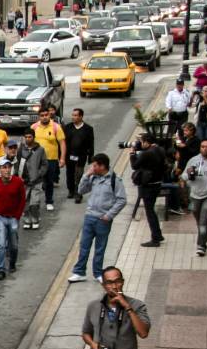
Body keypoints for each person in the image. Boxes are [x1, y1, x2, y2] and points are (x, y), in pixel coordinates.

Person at [68, 154, 127, 283]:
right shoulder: (93, 177)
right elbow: (81, 190)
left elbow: (122, 200)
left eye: (95, 165)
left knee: (100, 248)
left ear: (102, 166)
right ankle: (79, 272)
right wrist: (86, 175)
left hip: (103, 219)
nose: (92, 167)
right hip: (90, 216)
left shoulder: (115, 180)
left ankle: (98, 273)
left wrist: (109, 215)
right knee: (84, 246)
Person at [0, 158, 25, 280]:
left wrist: (18, 216)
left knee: (13, 245)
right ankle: (0, 269)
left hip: (13, 217)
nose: (7, 170)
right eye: (4, 167)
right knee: (0, 244)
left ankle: (12, 263)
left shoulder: (18, 182)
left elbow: (22, 200)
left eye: (9, 167)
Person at [131, 131, 167, 247]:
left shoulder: (146, 154)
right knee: (151, 210)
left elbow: (134, 166)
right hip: (157, 183)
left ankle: (155, 238)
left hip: (148, 186)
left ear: (147, 142)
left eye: (141, 142)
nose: (140, 144)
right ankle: (158, 235)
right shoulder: (160, 150)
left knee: (150, 211)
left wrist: (132, 154)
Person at [30, 108, 65, 212]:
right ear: (39, 116)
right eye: (42, 115)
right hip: (36, 160)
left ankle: (49, 201)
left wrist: (62, 158)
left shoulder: (56, 127)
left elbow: (62, 143)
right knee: (34, 181)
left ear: (49, 115)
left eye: (46, 115)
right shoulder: (34, 127)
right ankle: (33, 202)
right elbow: (28, 142)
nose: (44, 117)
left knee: (49, 181)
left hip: (51, 159)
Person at [17, 131, 49, 230]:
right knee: (25, 202)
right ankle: (27, 220)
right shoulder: (21, 150)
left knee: (34, 202)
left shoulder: (40, 150)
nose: (28, 139)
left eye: (30, 137)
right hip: (24, 181)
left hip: (36, 181)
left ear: (34, 137)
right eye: (26, 137)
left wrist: (39, 174)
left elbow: (44, 164)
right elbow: (17, 163)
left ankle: (35, 219)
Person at [64, 108, 94, 203]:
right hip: (69, 155)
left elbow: (91, 143)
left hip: (81, 156)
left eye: (76, 115)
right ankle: (71, 190)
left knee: (79, 175)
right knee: (69, 174)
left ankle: (78, 193)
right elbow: (63, 143)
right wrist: (61, 156)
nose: (73, 117)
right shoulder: (67, 127)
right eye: (73, 115)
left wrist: (90, 157)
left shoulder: (88, 129)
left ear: (81, 116)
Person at [171, 122, 202, 215]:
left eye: (186, 130)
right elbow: (179, 149)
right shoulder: (185, 139)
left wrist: (184, 147)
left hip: (191, 166)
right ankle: (184, 202)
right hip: (182, 164)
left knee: (190, 185)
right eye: (184, 130)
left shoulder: (196, 140)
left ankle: (192, 203)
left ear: (192, 131)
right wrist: (177, 147)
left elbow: (193, 152)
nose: (184, 132)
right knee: (181, 183)